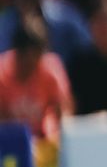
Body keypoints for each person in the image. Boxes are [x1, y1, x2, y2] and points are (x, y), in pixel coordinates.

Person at [0, 12, 73, 158]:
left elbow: (64, 111)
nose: (31, 62)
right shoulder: (2, 73)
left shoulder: (51, 69)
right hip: (8, 144)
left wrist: (54, 134)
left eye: (37, 55)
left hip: (47, 144)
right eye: (26, 56)